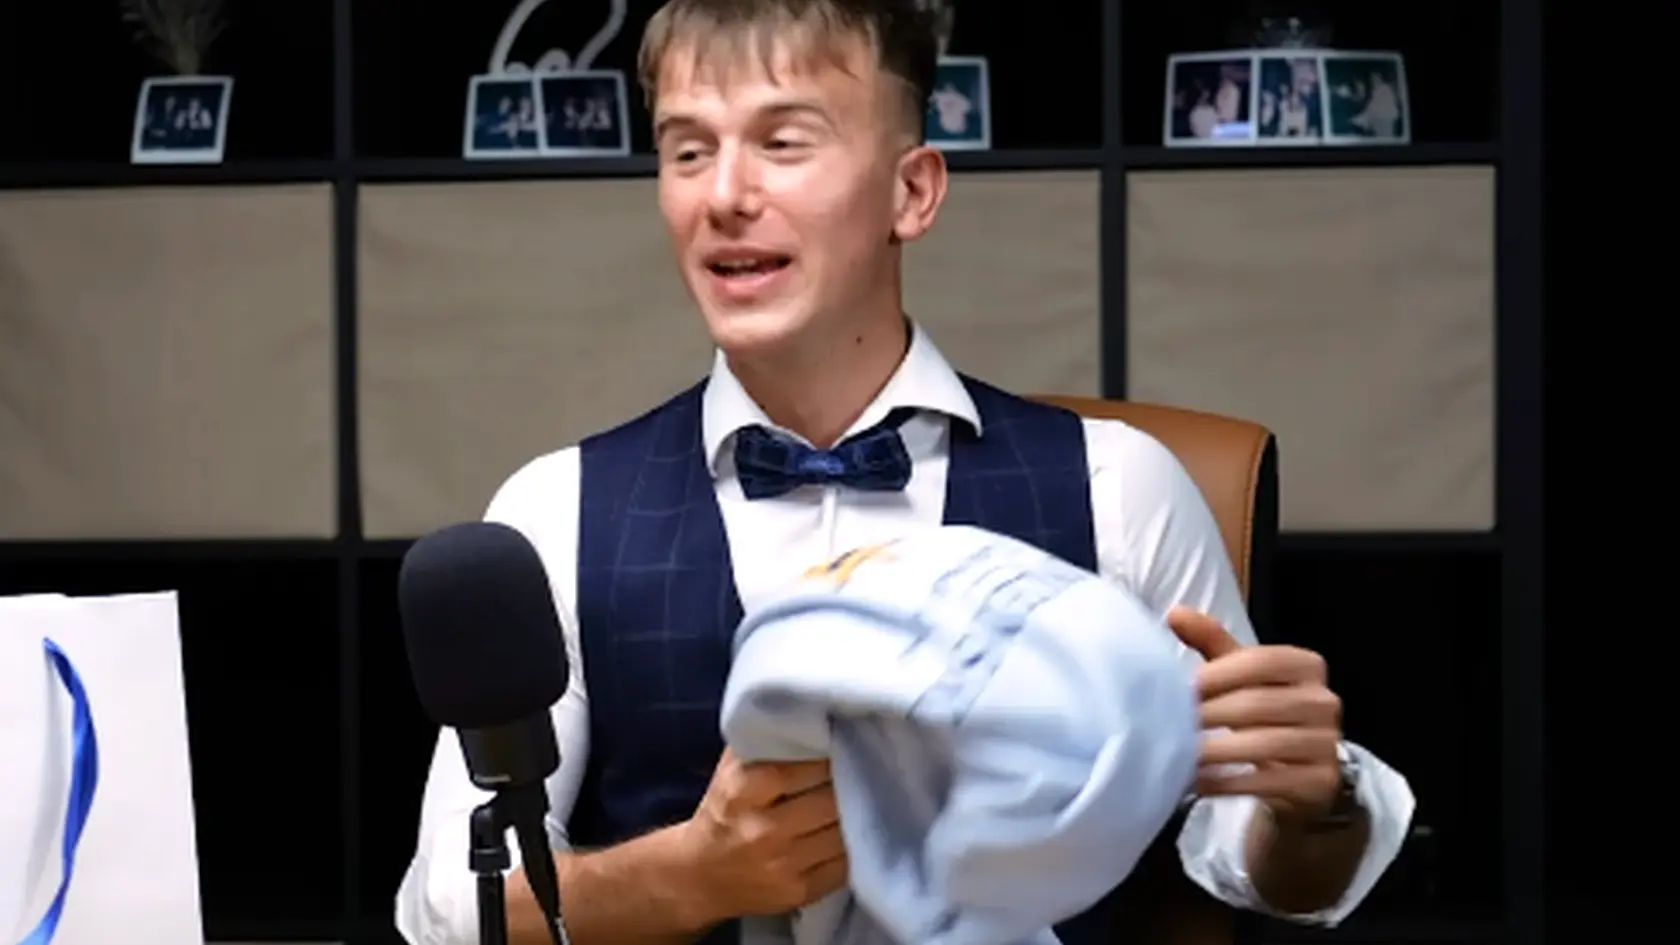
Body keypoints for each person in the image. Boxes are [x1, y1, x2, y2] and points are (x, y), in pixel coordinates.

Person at [394, 2, 1416, 944]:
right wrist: (695, 875)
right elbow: (448, 910)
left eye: (784, 143)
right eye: (688, 150)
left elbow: (1265, 868)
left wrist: (1310, 805)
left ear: (912, 191)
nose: (725, 196)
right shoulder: (556, 510)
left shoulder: (1123, 487)